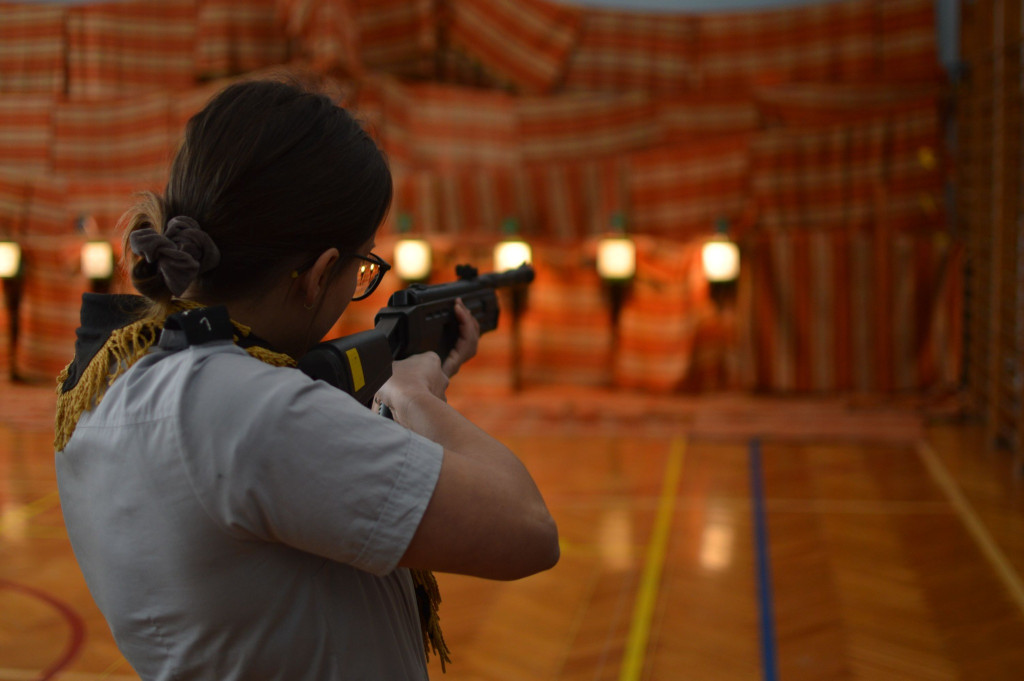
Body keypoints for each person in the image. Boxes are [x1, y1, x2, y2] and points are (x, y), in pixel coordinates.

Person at [53, 75, 559, 680]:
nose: (357, 286)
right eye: (363, 265)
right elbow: (529, 529)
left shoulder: (112, 380)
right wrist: (414, 392)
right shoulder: (249, 409)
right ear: (319, 274)